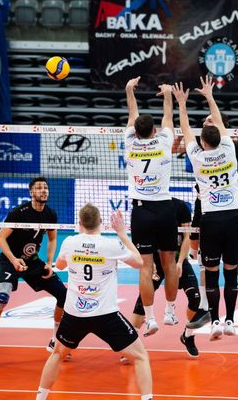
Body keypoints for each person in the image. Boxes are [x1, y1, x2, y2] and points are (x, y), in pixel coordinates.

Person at [36, 205, 152, 400]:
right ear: (101, 222)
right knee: (140, 357)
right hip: (106, 316)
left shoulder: (70, 242)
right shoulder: (111, 245)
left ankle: (40, 397)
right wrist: (122, 234)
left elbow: (61, 265)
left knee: (57, 354)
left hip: (75, 315)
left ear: (80, 223)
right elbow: (140, 262)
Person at [173, 77, 238, 341]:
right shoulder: (229, 148)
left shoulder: (197, 157)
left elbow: (186, 129)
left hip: (210, 219)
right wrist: (209, 96)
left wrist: (181, 104)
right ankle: (230, 321)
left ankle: (216, 320)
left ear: (203, 142)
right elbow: (218, 121)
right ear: (221, 136)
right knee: (231, 271)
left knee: (211, 273)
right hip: (231, 218)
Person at [0, 177, 67, 364]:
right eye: (39, 188)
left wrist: (49, 262)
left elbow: (52, 239)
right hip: (10, 260)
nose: (44, 190)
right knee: (2, 298)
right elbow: (0, 239)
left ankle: (55, 339)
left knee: (64, 296)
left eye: (46, 187)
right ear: (31, 192)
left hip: (32, 262)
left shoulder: (50, 214)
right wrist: (13, 259)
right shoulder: (19, 213)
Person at [124, 76, 179, 336]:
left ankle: (150, 319)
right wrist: (167, 94)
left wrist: (129, 90)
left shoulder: (130, 141)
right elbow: (169, 117)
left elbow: (132, 114)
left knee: (146, 268)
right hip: (165, 209)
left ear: (136, 132)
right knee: (170, 264)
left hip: (142, 211)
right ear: (154, 131)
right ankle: (170, 311)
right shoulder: (164, 141)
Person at [129, 197, 210, 357]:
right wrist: (150, 264)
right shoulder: (148, 207)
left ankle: (188, 336)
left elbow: (187, 237)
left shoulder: (180, 207)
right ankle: (130, 344)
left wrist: (180, 262)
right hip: (155, 261)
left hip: (177, 260)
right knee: (141, 303)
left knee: (195, 298)